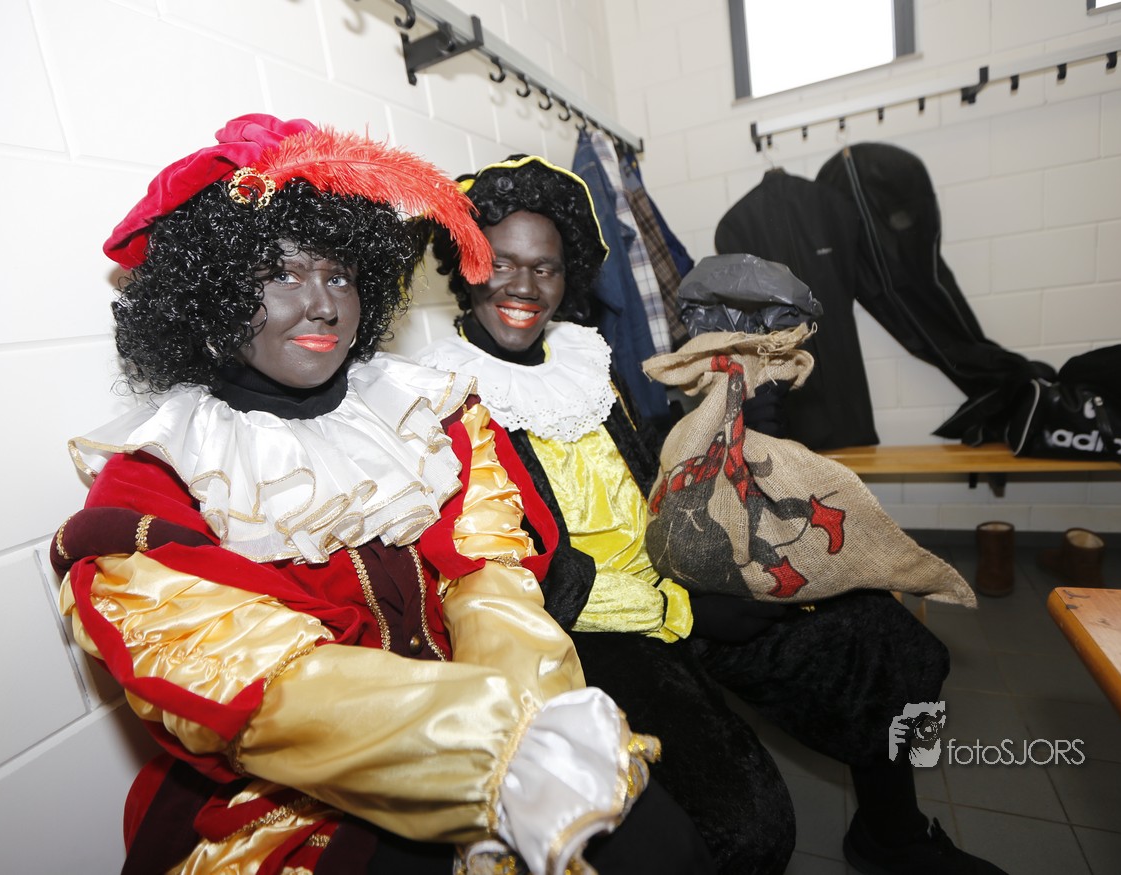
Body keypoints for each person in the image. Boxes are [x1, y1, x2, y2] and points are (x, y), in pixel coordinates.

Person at [51, 115, 713, 875]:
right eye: (282, 274)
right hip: (302, 801)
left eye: (339, 275)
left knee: (665, 846)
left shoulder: (429, 415)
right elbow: (264, 689)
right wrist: (493, 761)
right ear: (213, 291)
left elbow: (493, 585)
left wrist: (537, 734)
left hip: (502, 712)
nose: (323, 305)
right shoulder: (153, 485)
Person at [419, 154, 1011, 875]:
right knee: (747, 824)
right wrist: (687, 610)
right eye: (501, 263)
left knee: (883, 641)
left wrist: (724, 418)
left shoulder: (583, 358)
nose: (524, 286)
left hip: (677, 574)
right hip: (587, 630)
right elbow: (519, 577)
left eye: (545, 267)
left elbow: (643, 473)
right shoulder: (443, 397)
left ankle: (891, 832)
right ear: (465, 265)